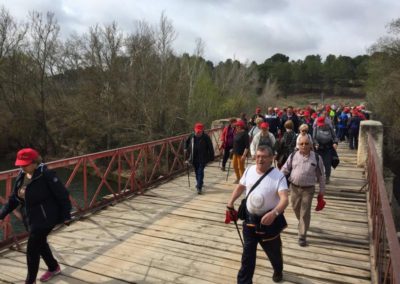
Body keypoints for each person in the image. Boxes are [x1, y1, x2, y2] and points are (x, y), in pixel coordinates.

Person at [0, 148, 72, 284]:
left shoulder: (47, 175)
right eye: (20, 163)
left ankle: (30, 281)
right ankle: (53, 267)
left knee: (32, 248)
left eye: (25, 164)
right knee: (41, 243)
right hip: (30, 218)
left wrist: (67, 215)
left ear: (34, 162)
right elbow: (14, 198)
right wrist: (2, 214)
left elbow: (63, 195)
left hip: (46, 218)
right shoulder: (21, 175)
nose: (21, 166)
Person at [227, 145, 289, 283]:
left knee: (274, 253)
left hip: (269, 223)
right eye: (258, 156)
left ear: (272, 158)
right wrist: (230, 202)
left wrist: (274, 213)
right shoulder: (249, 170)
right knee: (247, 256)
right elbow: (240, 187)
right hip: (249, 221)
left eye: (264, 157)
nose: (260, 159)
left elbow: (285, 199)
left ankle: (278, 270)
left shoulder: (278, 176)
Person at [281, 135, 325, 247]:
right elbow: (285, 169)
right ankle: (302, 223)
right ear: (298, 145)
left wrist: (321, 191)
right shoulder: (293, 155)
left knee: (305, 212)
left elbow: (321, 176)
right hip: (294, 187)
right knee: (295, 208)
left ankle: (302, 235)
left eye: (306, 143)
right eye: (301, 144)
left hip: (308, 189)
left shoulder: (316, 157)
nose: (304, 146)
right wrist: (276, 180)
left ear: (310, 145)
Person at [184, 123, 215, 194]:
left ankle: (199, 187)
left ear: (202, 130)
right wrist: (185, 148)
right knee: (196, 171)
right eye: (197, 131)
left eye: (199, 131)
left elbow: (210, 147)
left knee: (200, 171)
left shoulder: (206, 137)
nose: (198, 132)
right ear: (194, 130)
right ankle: (200, 182)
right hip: (194, 157)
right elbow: (186, 142)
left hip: (203, 157)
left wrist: (212, 157)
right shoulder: (192, 136)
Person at [313, 116, 338, 184]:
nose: (320, 125)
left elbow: (335, 137)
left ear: (326, 123)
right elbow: (314, 138)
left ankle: (327, 177)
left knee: (327, 164)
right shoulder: (316, 128)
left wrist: (335, 143)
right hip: (319, 149)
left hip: (328, 148)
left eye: (322, 123)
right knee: (318, 164)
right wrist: (316, 144)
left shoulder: (330, 128)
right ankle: (318, 177)